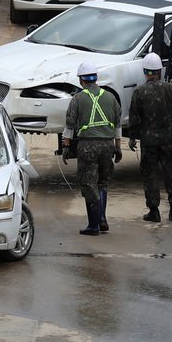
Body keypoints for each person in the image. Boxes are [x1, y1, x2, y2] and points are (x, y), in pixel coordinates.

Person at [62, 62, 122, 236]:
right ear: (96, 78)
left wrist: (66, 146)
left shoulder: (77, 98)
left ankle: (93, 225)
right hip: (107, 145)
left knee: (89, 184)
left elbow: (70, 124)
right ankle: (102, 219)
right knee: (102, 183)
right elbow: (118, 123)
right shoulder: (110, 97)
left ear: (81, 80)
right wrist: (118, 147)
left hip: (88, 146)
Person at [127, 53, 172, 223]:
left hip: (149, 141)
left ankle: (154, 211)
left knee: (150, 175)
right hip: (169, 140)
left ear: (145, 71)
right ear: (159, 71)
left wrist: (132, 137)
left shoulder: (139, 92)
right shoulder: (170, 89)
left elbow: (134, 118)